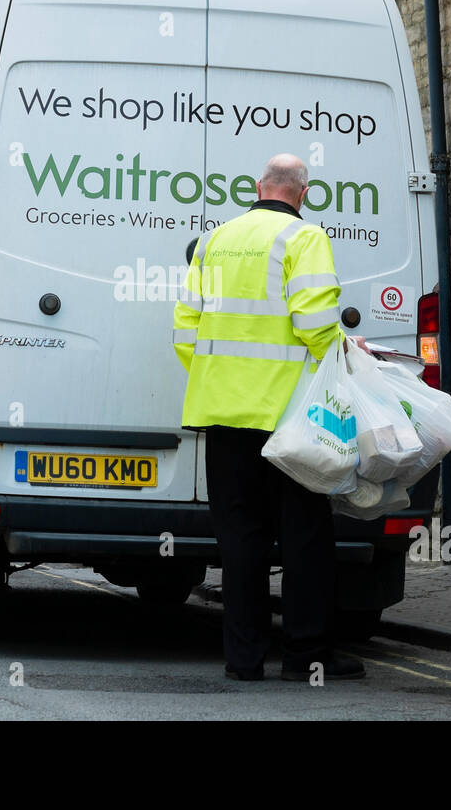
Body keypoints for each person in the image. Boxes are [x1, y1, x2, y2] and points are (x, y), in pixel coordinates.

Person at [172, 152, 367, 682]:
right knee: (304, 536)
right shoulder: (304, 239)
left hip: (222, 413)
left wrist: (220, 377)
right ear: (303, 193)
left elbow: (184, 329)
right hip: (289, 419)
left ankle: (243, 658)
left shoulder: (214, 240)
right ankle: (306, 655)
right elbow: (313, 321)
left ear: (258, 186)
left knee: (239, 539)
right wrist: (347, 351)